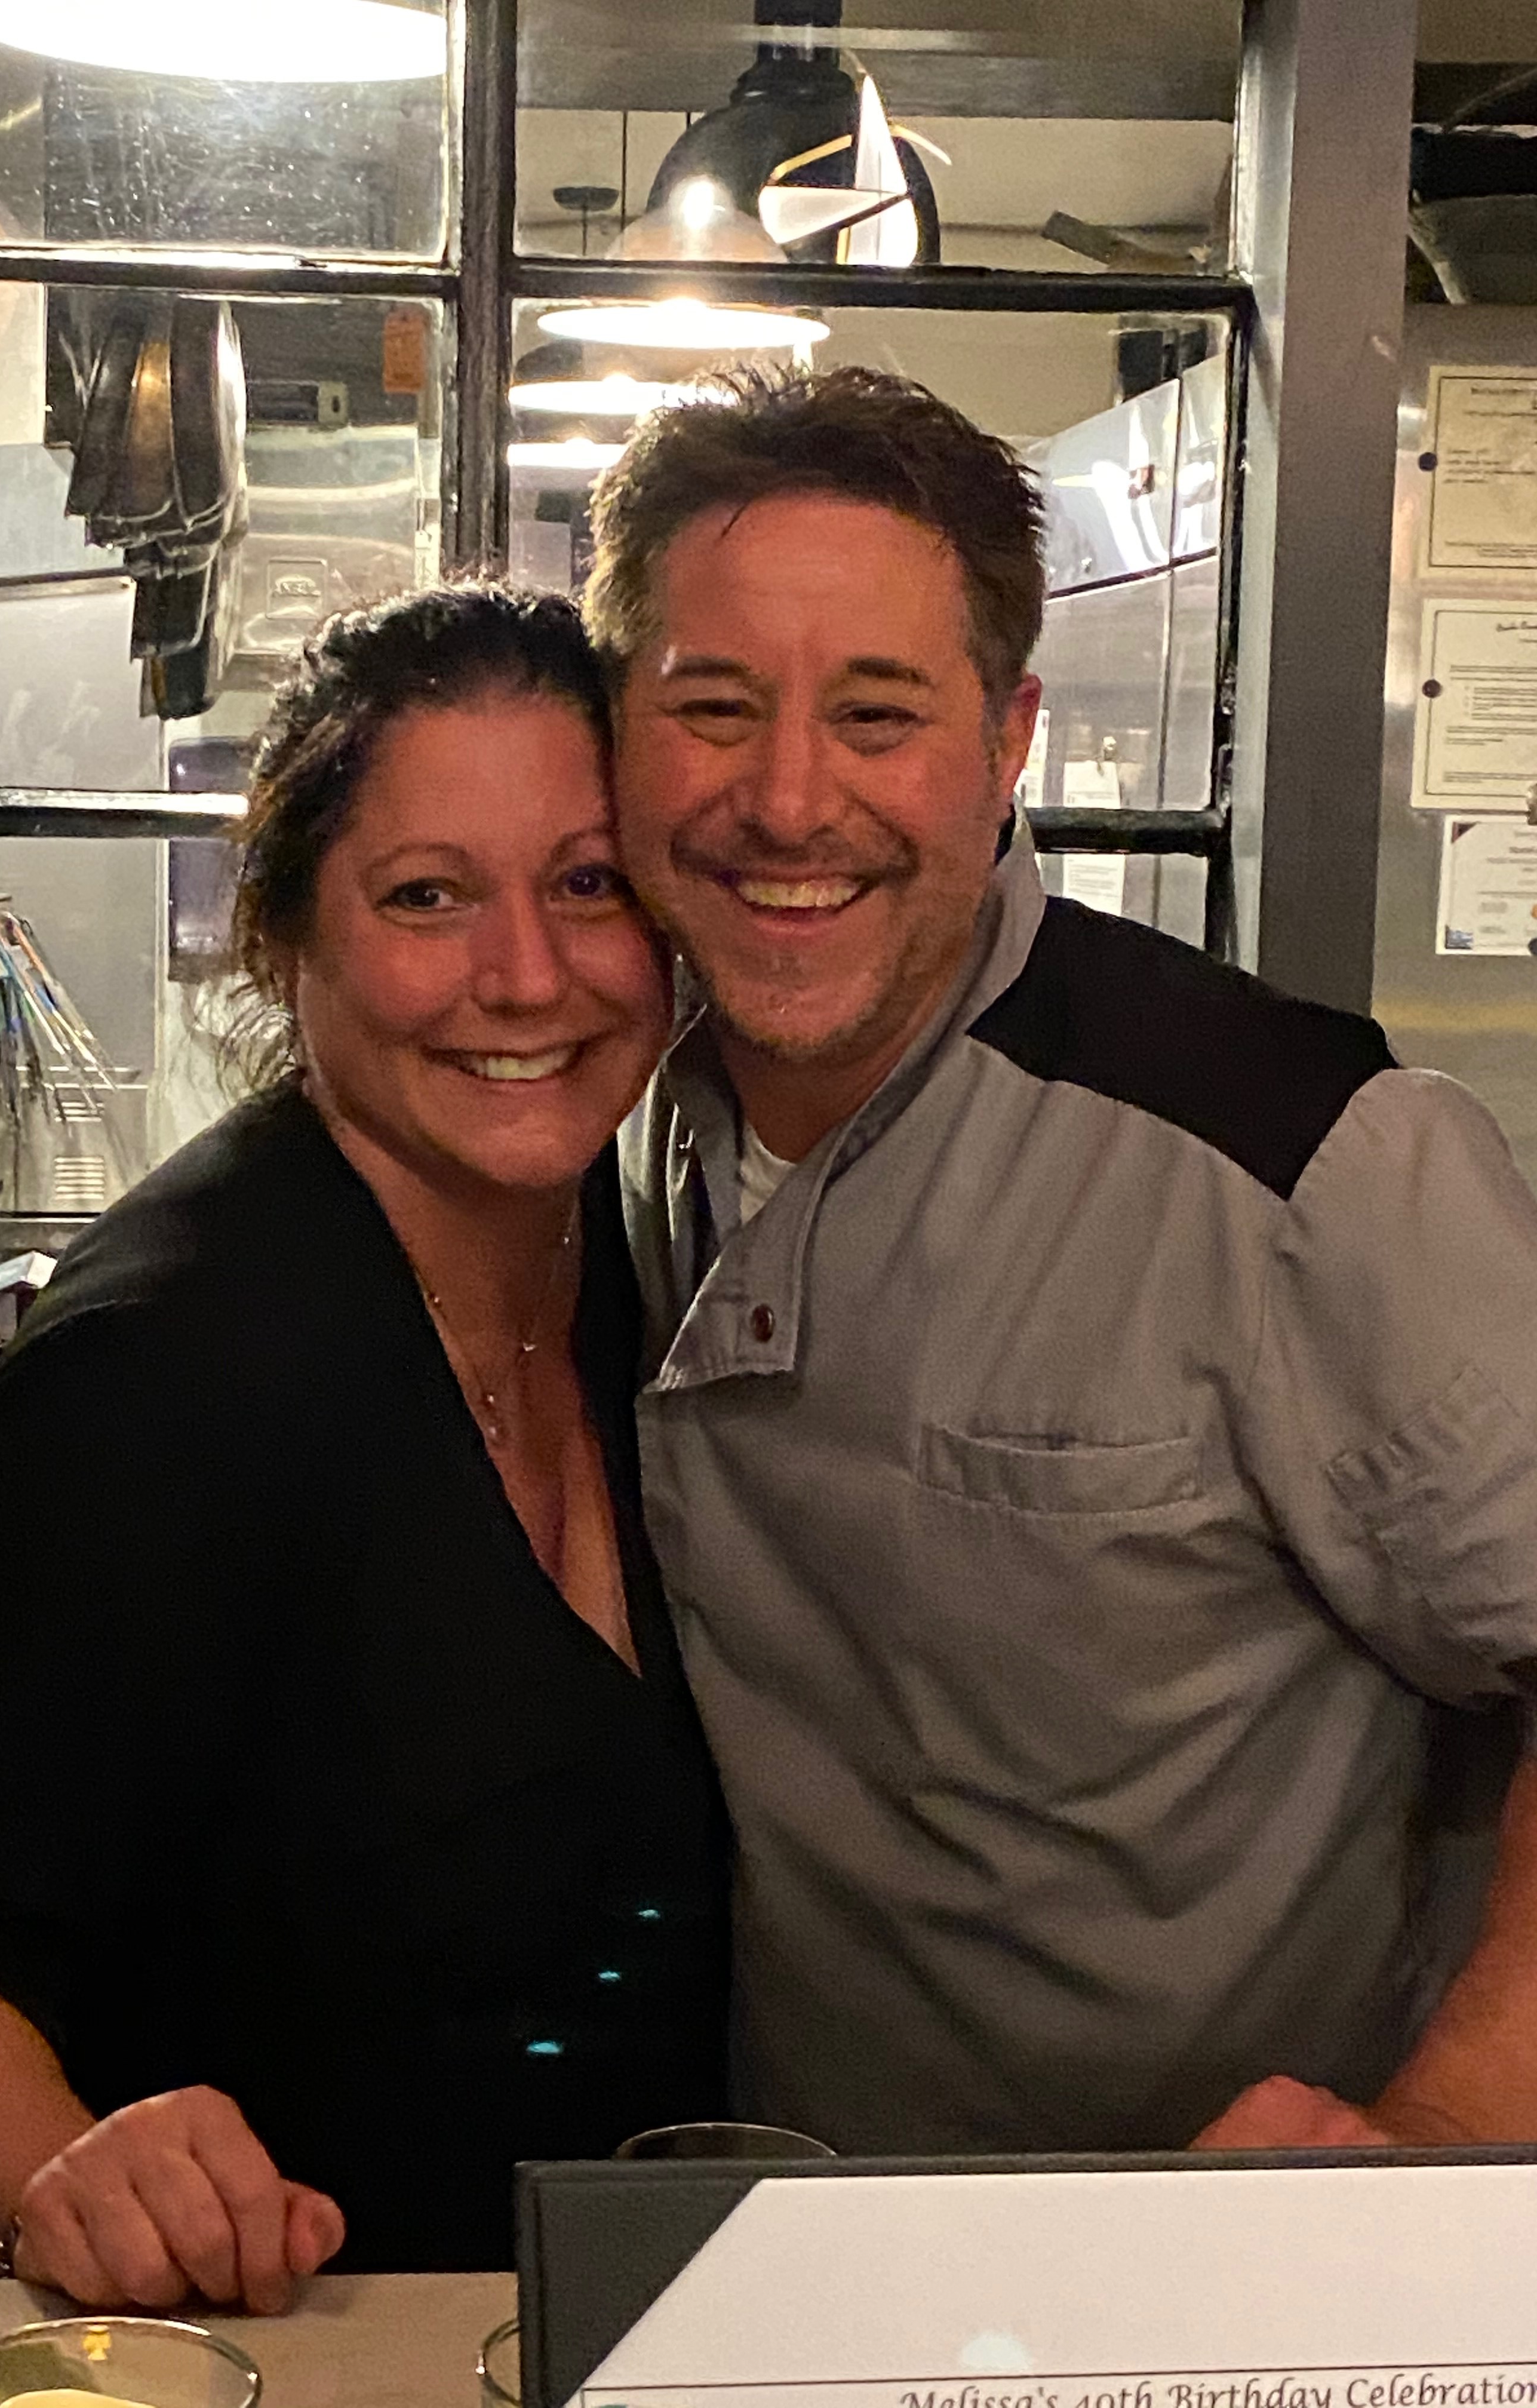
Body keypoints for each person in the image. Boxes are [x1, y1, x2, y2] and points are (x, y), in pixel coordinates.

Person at [588, 362, 1537, 2162]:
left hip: (1230, 2265)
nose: (788, 802)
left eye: (878, 716)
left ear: (1008, 742)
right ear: (619, 730)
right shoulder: (619, 1112)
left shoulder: (1298, 1159)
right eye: (715, 708)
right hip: (801, 2222)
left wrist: (1436, 2138)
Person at [0, 585, 727, 2304]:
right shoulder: (170, 1372)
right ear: (283, 940)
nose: (528, 974)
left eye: (588, 884)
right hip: (285, 2353)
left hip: (594, 2323)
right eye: (427, 895)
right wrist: (65, 2189)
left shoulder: (638, 1267)